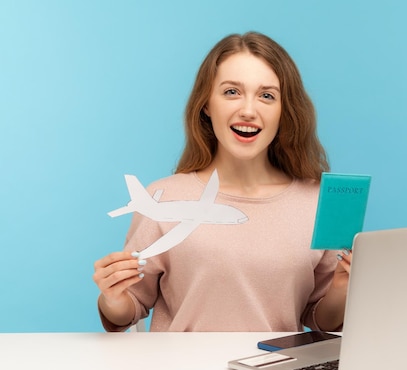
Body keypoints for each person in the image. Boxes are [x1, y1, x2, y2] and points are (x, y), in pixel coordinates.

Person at [93, 31, 351, 332]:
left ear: (284, 111)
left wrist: (343, 288)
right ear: (206, 104)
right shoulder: (164, 195)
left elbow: (322, 320)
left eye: (267, 96)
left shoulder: (321, 202)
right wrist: (113, 296)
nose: (248, 111)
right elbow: (128, 310)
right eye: (231, 92)